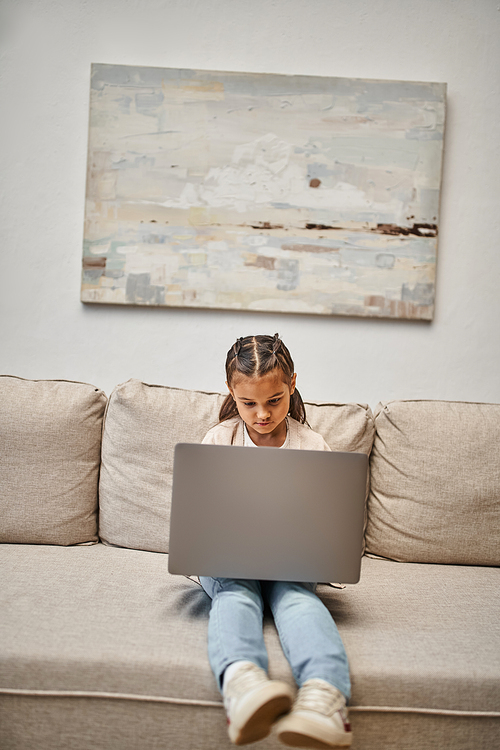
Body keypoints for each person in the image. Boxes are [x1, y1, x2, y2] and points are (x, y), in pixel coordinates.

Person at [199, 334, 353, 748]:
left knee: (297, 599)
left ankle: (325, 699)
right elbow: (202, 519)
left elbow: (328, 524)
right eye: (249, 404)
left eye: (274, 401)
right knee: (236, 593)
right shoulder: (218, 441)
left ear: (292, 385)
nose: (262, 414)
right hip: (229, 562)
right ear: (231, 391)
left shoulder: (312, 445)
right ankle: (243, 687)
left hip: (292, 561)